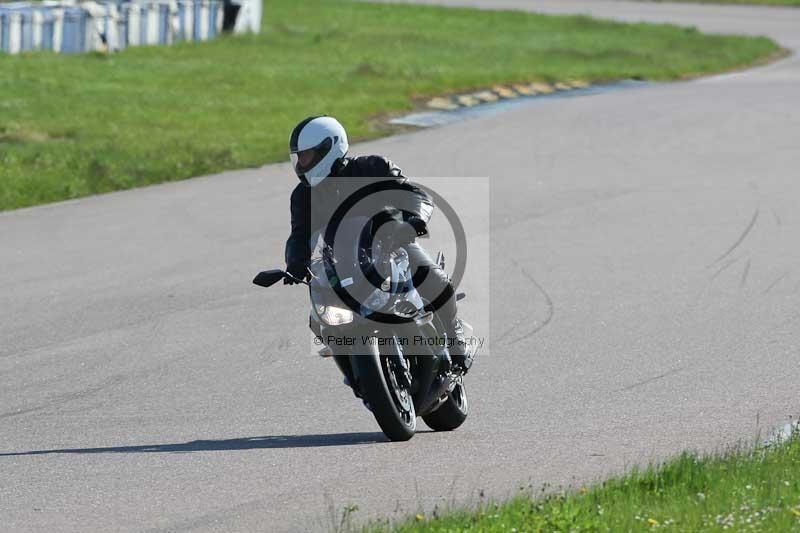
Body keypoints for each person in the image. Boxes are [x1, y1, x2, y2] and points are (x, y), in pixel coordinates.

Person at [283, 115, 468, 370]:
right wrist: (295, 262)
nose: (301, 164)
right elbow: (299, 235)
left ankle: (454, 334)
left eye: (306, 156)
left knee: (436, 281)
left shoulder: (372, 167)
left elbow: (415, 194)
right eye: (298, 157)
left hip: (392, 246)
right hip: (342, 263)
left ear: (330, 147)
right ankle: (356, 374)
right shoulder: (303, 196)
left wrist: (413, 221)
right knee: (321, 321)